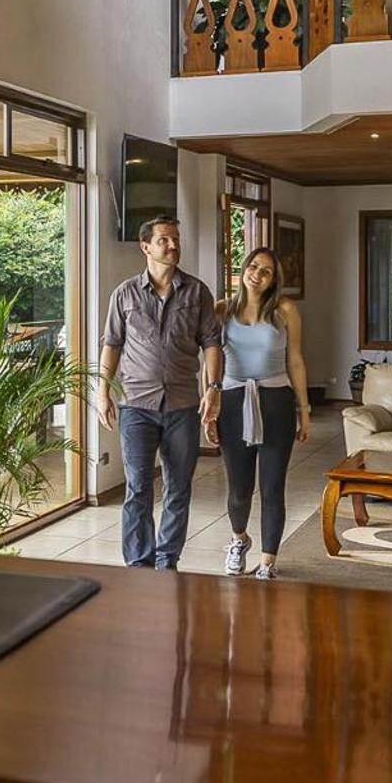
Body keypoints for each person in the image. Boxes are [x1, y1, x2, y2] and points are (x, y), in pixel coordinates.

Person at [97, 216, 222, 571]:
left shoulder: (197, 292)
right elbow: (112, 343)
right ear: (146, 247)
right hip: (136, 405)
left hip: (183, 404)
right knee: (138, 487)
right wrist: (102, 390)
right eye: (164, 240)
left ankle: (167, 561)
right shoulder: (124, 294)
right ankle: (139, 563)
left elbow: (212, 343)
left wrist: (213, 389)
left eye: (175, 239)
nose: (173, 245)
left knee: (178, 487)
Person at [205, 248, 312, 580]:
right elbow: (210, 361)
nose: (257, 275)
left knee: (272, 486)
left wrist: (304, 410)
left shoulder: (285, 310)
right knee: (239, 488)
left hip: (276, 401)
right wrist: (210, 404)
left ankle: (268, 561)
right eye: (253, 267)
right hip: (233, 402)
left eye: (266, 271)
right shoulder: (221, 310)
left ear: (273, 280)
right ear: (243, 269)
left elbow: (295, 360)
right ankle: (239, 540)